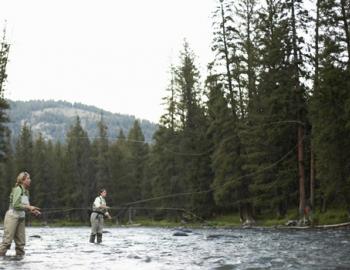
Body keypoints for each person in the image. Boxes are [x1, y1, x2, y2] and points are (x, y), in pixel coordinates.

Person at [0, 172, 41, 256]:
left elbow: (25, 206)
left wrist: (33, 211)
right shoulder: (18, 189)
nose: (30, 180)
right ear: (23, 181)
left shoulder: (26, 192)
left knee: (20, 244)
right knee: (7, 242)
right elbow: (15, 205)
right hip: (12, 217)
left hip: (21, 218)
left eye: (29, 178)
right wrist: (29, 207)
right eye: (28, 179)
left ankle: (20, 264)